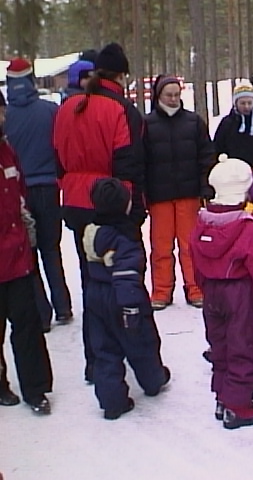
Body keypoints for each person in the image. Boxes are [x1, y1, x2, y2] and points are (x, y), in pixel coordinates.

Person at [53, 42, 146, 383]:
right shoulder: (121, 109)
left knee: (92, 284)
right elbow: (129, 163)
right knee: (126, 282)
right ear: (121, 75)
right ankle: (140, 361)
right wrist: (134, 208)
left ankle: (96, 362)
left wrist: (69, 188)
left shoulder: (68, 107)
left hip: (76, 203)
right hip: (110, 204)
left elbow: (58, 159)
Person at [190, 155, 253, 430]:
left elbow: (194, 256)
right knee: (243, 346)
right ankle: (238, 406)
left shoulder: (202, 222)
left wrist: (204, 285)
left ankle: (223, 396)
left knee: (220, 345)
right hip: (241, 294)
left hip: (212, 291)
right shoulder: (248, 225)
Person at [83, 178, 170, 420]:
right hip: (123, 297)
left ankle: (112, 402)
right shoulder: (125, 238)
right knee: (142, 343)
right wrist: (130, 306)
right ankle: (153, 381)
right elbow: (126, 274)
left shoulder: (93, 232)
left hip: (96, 296)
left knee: (105, 351)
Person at [4, 58, 73, 329]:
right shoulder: (50, 111)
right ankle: (63, 306)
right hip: (48, 187)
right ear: (31, 80)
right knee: (51, 249)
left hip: (18, 191)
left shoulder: (6, 117)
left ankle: (41, 314)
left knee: (28, 254)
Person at [144, 75, 216, 311]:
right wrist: (143, 192)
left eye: (177, 94)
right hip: (159, 196)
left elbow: (206, 157)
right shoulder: (147, 124)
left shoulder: (194, 122)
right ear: (159, 96)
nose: (173, 99)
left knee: (190, 246)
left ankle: (195, 288)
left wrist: (205, 188)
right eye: (169, 95)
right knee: (161, 247)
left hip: (189, 194)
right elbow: (141, 162)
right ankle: (161, 291)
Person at [0, 105, 54, 414]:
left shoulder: (7, 150)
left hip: (17, 255)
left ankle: (36, 389)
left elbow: (19, 191)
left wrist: (25, 221)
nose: (3, 119)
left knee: (28, 325)